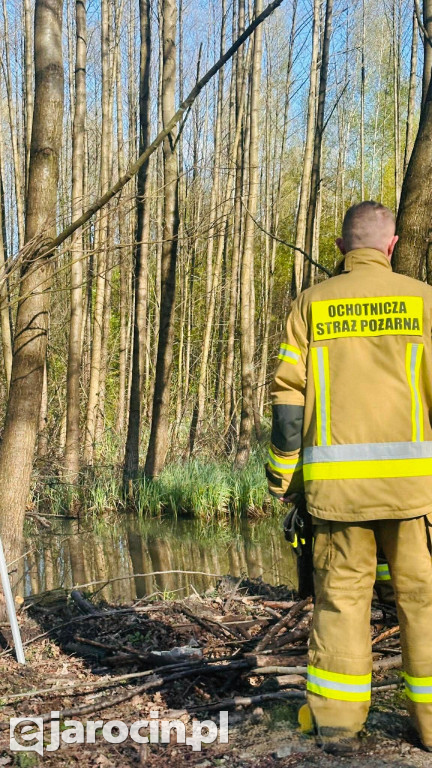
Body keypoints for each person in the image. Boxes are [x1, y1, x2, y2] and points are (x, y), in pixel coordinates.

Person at [266, 201, 432, 754]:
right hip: (415, 494)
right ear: (391, 244)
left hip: (337, 497)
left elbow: (288, 404)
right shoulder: (424, 301)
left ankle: (337, 725)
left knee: (341, 602)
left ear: (341, 249)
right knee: (423, 602)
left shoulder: (311, 305)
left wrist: (281, 479)